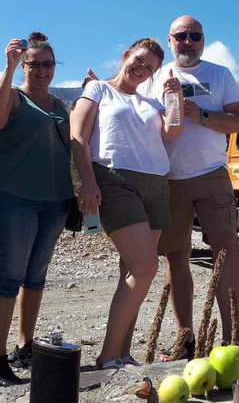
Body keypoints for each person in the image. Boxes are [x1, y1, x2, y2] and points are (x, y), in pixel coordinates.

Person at [70, 38, 183, 369]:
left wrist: (174, 97)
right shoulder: (97, 90)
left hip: (157, 185)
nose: (142, 68)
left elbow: (172, 131)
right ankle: (107, 354)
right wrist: (87, 182)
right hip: (116, 181)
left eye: (150, 67)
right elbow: (78, 137)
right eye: (139, 60)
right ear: (125, 55)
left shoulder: (151, 102)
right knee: (146, 267)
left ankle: (122, 354)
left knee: (134, 273)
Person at [143, 16, 239, 360]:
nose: (188, 41)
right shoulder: (154, 76)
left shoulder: (220, 75)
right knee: (177, 257)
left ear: (203, 40)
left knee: (226, 253)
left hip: (212, 175)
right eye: (181, 36)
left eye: (195, 36)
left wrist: (201, 115)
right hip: (168, 177)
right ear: (169, 40)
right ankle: (186, 340)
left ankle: (232, 339)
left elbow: (238, 121)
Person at [0, 32, 74, 386]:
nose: (41, 69)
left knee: (35, 279)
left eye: (48, 64)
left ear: (54, 65)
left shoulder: (60, 106)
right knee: (9, 278)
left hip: (54, 201)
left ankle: (24, 347)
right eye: (33, 64)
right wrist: (7, 68)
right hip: (13, 198)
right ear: (24, 65)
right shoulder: (15, 96)